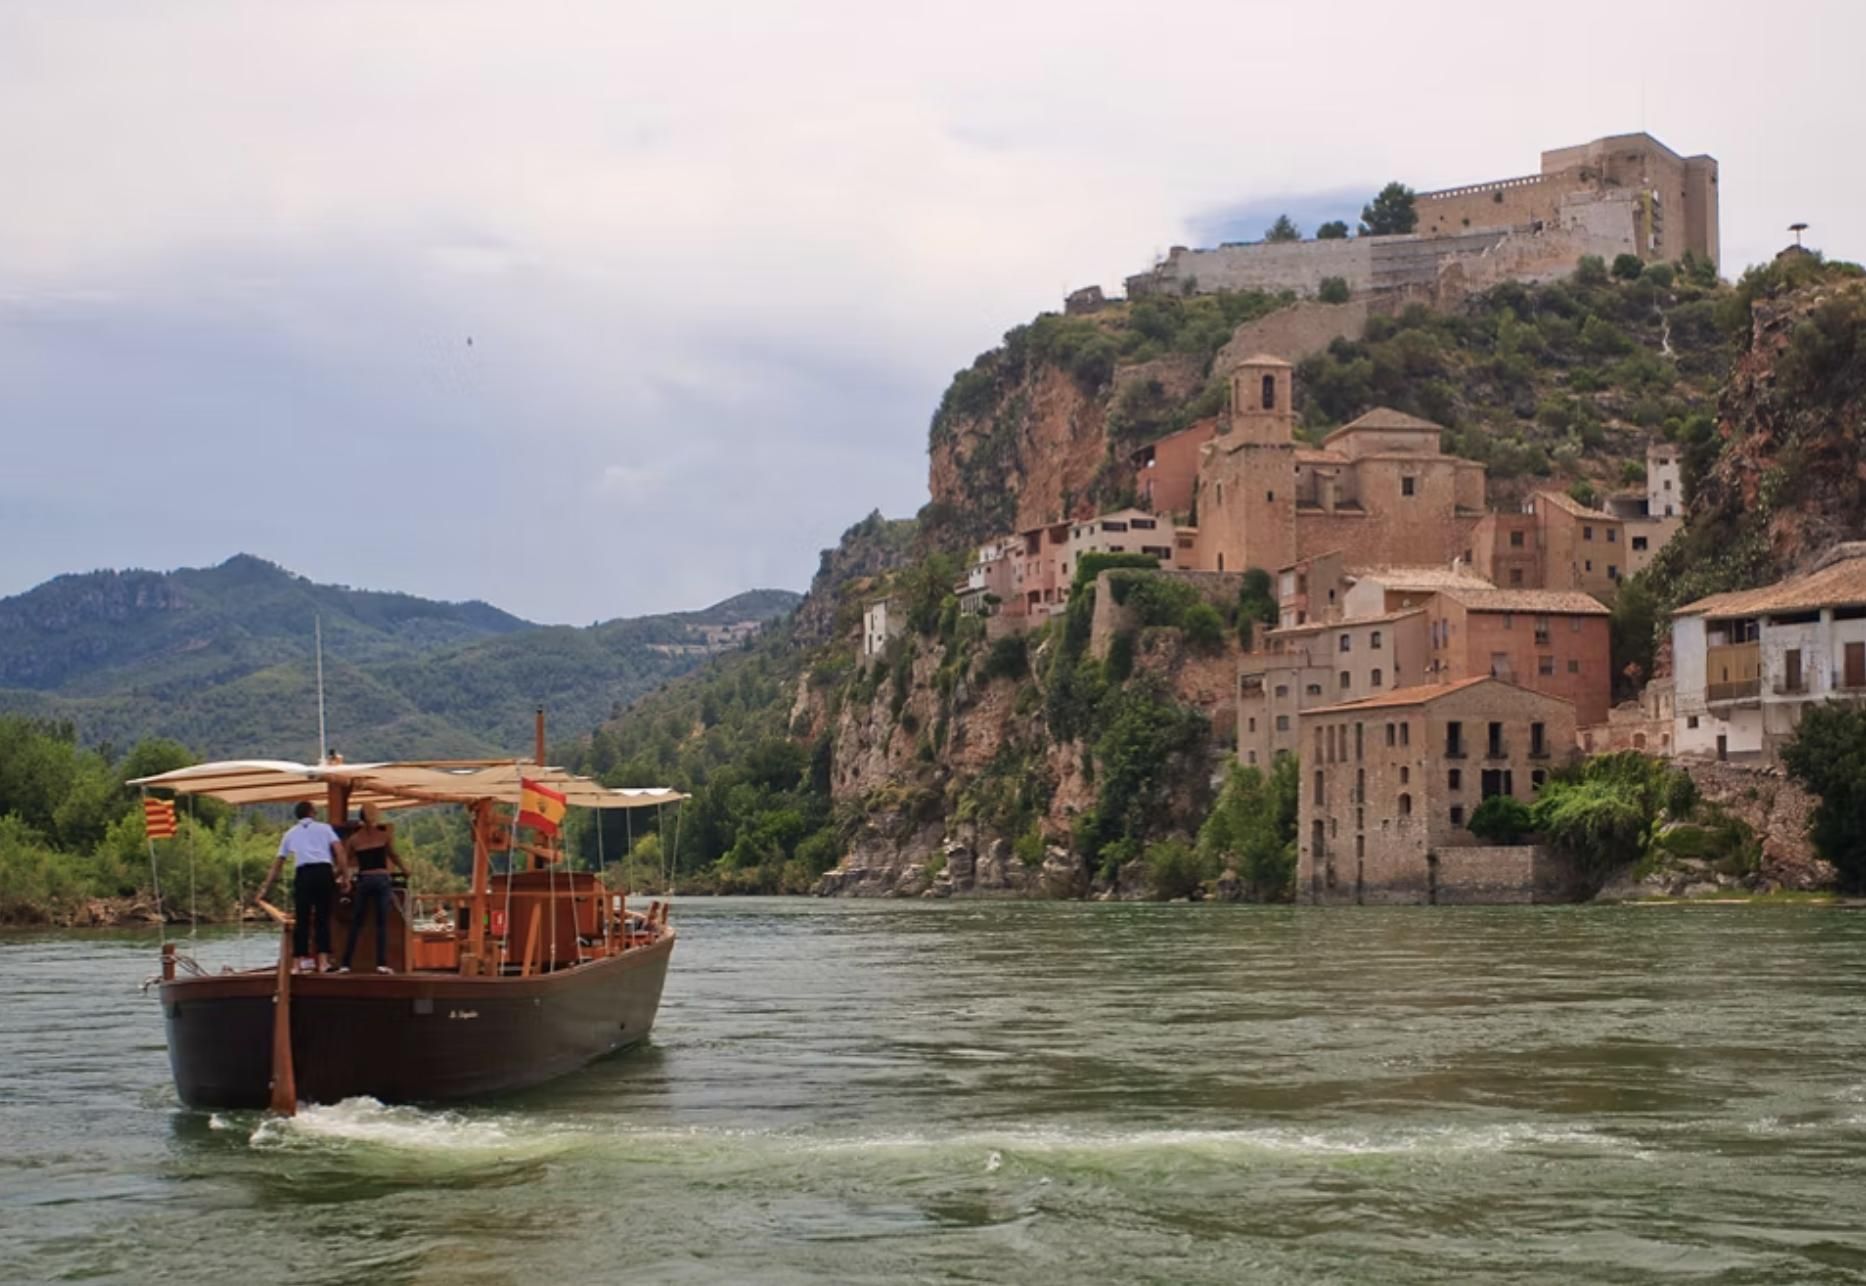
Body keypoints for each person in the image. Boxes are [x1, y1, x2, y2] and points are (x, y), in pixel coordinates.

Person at [256, 801, 345, 973]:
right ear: (312, 812)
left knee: (302, 918)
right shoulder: (325, 828)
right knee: (322, 917)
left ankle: (297, 963)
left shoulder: (290, 833)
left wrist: (265, 887)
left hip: (303, 873)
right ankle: (323, 961)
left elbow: (278, 862)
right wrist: (344, 875)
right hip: (323, 871)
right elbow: (340, 851)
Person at [340, 803, 407, 974]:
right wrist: (405, 869)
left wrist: (338, 878)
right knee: (381, 922)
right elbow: (394, 855)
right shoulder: (383, 836)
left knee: (356, 921)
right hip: (382, 879)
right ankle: (381, 963)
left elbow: (344, 862)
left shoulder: (354, 839)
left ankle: (346, 963)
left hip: (364, 879)